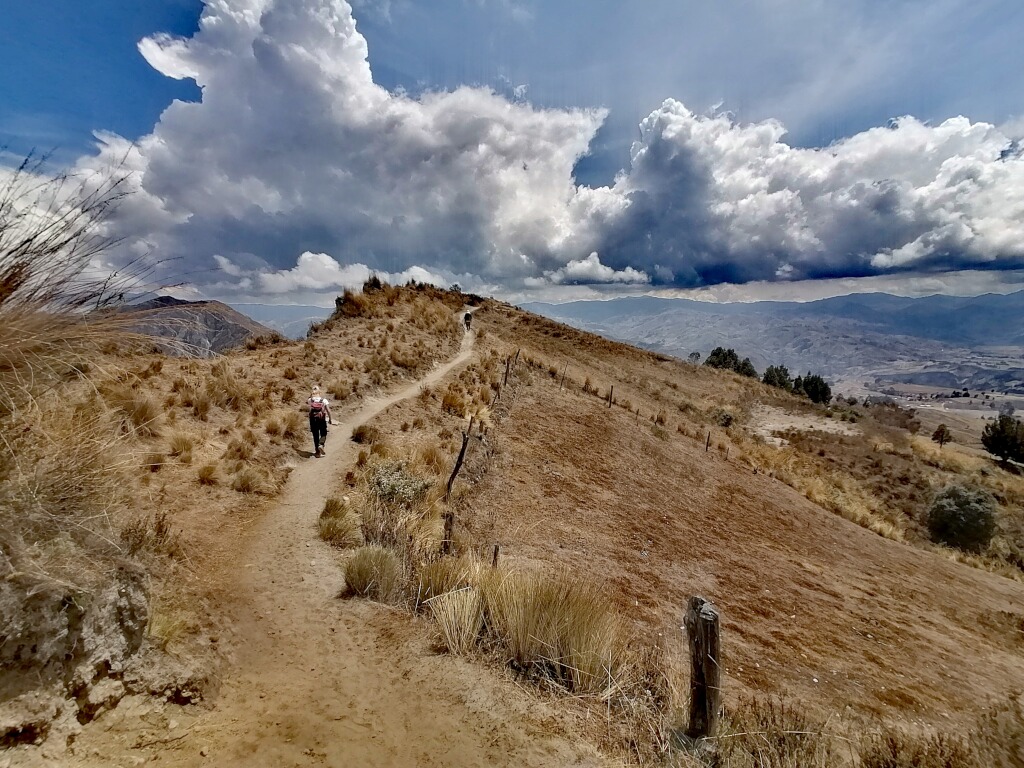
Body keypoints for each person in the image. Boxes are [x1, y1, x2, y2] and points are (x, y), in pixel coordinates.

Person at [306, 385, 333, 457]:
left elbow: (309, 400)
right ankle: (321, 444)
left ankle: (317, 453)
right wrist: (330, 419)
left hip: (313, 419)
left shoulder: (310, 400)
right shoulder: (324, 400)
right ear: (320, 392)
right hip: (321, 419)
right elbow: (328, 411)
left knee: (315, 435)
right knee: (323, 433)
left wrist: (311, 394)